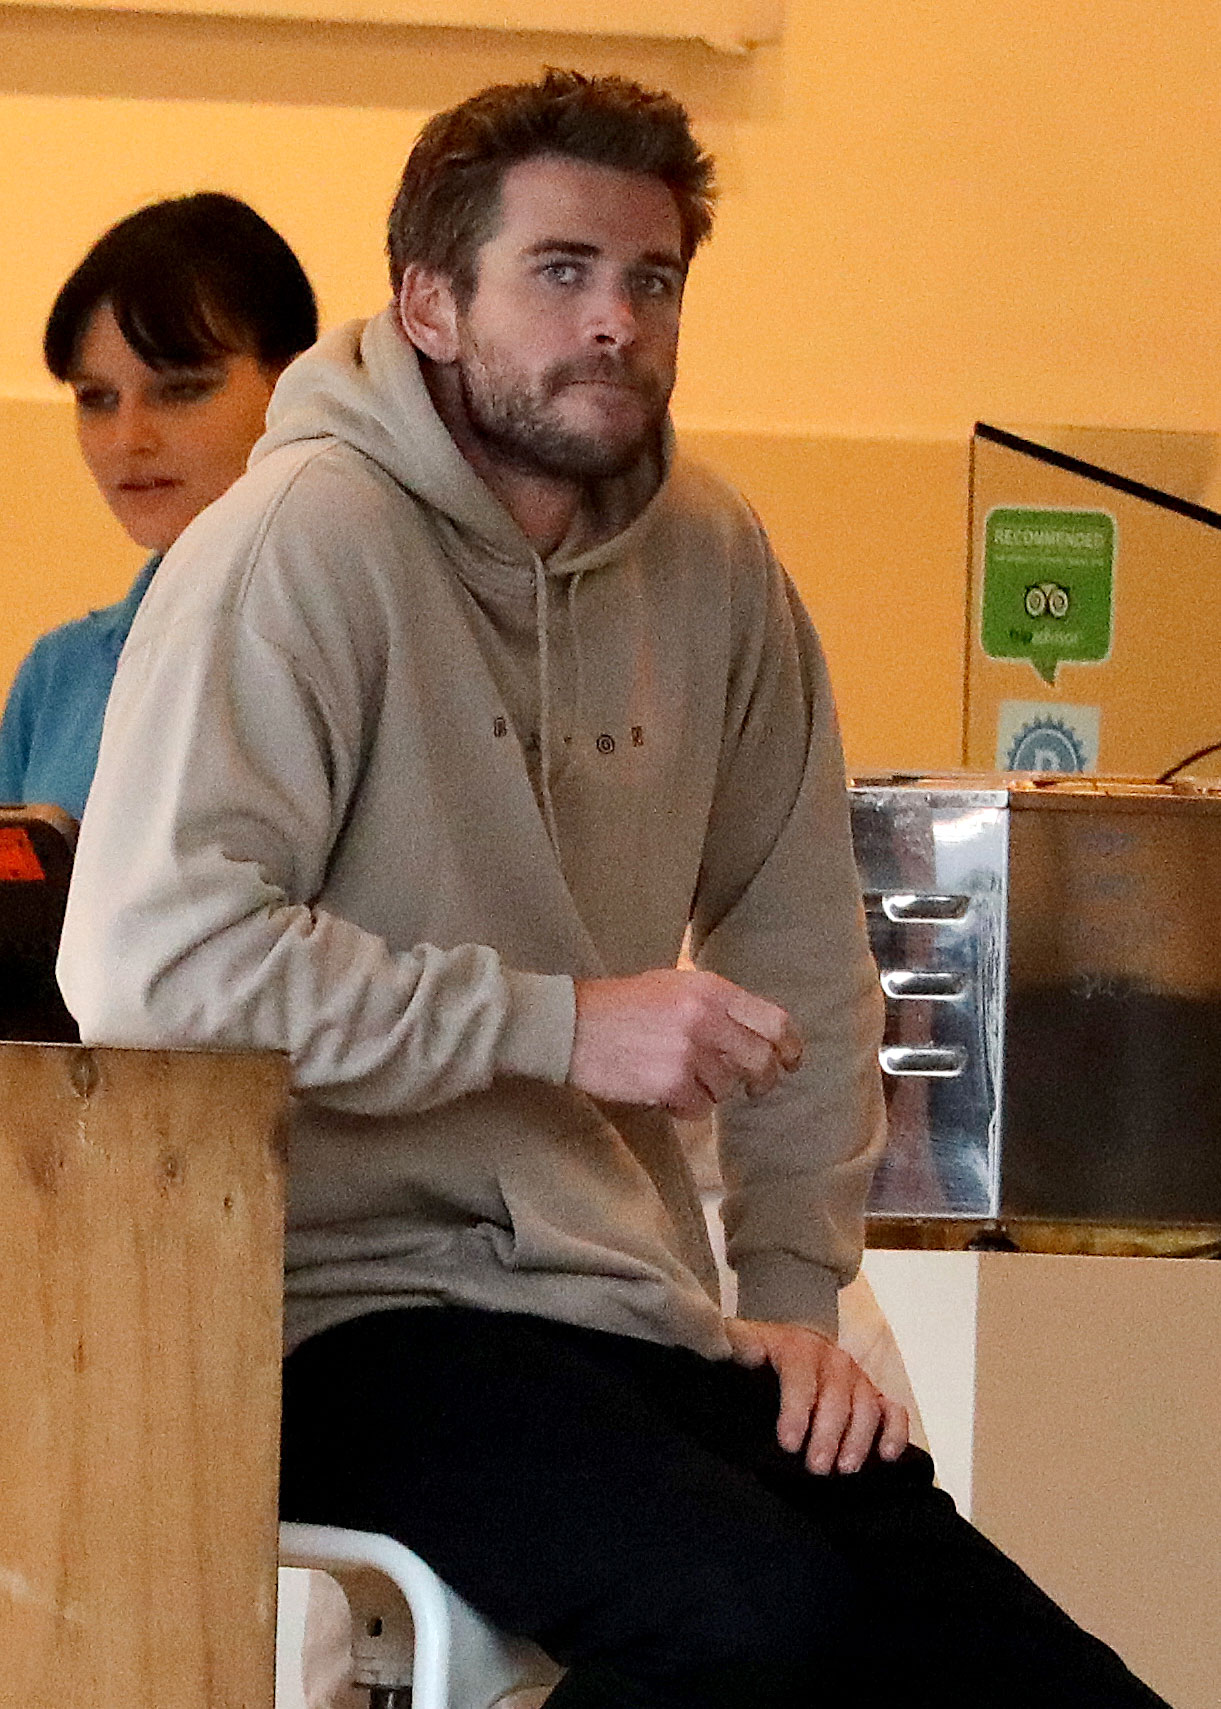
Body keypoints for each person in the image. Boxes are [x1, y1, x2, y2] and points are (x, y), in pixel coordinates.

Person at [59, 72, 1169, 1708]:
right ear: (429, 303)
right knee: (746, 1616)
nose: (617, 323)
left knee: (1036, 1680)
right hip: (332, 1308)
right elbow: (152, 965)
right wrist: (560, 1024)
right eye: (561, 271)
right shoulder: (299, 542)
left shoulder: (714, 555)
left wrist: (791, 1290)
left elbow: (798, 932)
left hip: (622, 1306)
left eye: (652, 280)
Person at [0, 192, 318, 819]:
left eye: (181, 390)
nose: (129, 439)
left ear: (295, 384)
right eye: (96, 398)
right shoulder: (60, 676)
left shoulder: (369, 646)